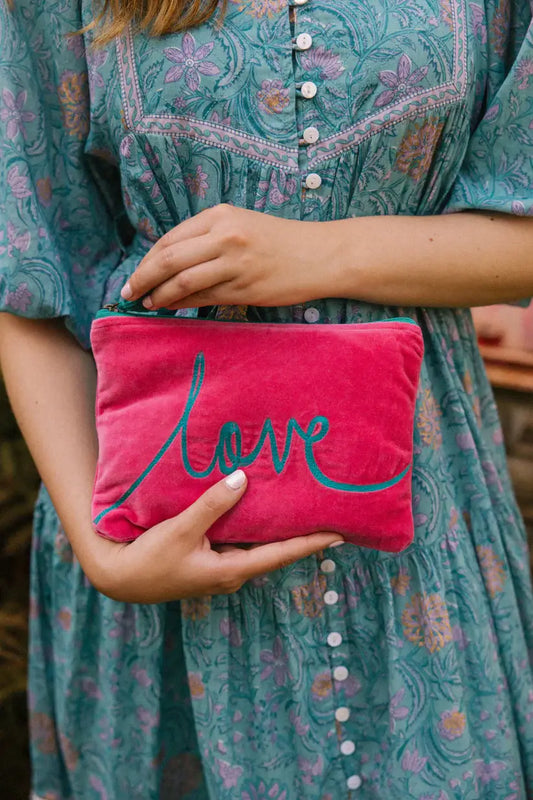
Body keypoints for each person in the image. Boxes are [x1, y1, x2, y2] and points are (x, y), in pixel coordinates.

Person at [1, 0, 533, 797]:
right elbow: (29, 273)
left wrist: (319, 253)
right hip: (152, 541)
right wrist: (108, 555)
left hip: (421, 530)